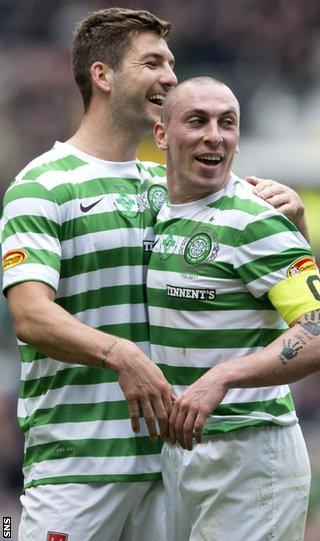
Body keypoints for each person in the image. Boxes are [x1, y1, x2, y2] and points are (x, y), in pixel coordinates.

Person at [0, 7, 309, 541]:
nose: (170, 77)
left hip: (175, 462)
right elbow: (30, 315)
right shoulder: (42, 186)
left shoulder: (178, 186)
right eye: (153, 63)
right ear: (103, 76)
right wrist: (121, 354)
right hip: (79, 462)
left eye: (171, 63)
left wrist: (296, 221)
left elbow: (280, 286)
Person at [148, 76, 320, 541]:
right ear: (162, 135)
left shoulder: (254, 219)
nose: (214, 135)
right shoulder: (159, 215)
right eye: (197, 121)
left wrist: (223, 376)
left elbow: (318, 329)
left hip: (250, 451)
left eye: (227, 123)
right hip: (183, 451)